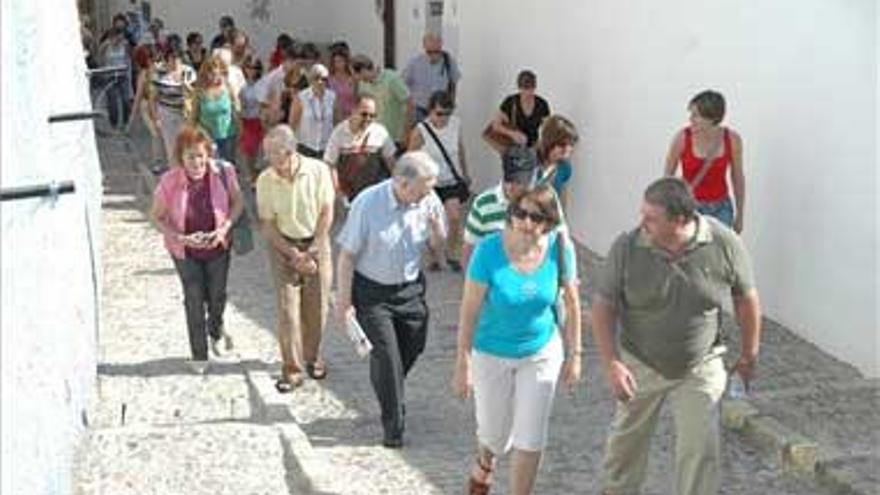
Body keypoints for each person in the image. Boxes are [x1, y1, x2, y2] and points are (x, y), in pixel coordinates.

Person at [591, 177, 761, 495]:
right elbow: (604, 305)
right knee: (624, 448)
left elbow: (745, 299)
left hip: (701, 362)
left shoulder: (723, 242)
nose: (642, 223)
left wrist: (749, 356)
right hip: (640, 360)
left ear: (680, 220)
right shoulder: (627, 247)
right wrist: (612, 362)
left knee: (700, 448)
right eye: (642, 214)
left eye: (651, 218)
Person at [453, 184, 582, 495]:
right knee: (495, 435)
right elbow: (469, 308)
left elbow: (573, 302)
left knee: (530, 436)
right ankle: (486, 459)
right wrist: (463, 361)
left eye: (537, 218)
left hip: (541, 351)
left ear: (549, 222)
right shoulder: (488, 250)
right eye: (521, 214)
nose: (527, 223)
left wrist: (575, 355)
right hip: (491, 350)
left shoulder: (559, 248)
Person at [335, 151, 447, 448]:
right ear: (401, 182)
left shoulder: (428, 200)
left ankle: (389, 385)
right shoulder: (367, 203)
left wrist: (437, 230)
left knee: (412, 346)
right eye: (423, 189)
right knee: (387, 356)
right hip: (372, 293)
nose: (428, 195)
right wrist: (343, 301)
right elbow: (347, 256)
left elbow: (438, 249)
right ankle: (393, 425)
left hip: (410, 290)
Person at [151, 125, 244, 373]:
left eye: (201, 155)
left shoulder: (224, 172)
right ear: (181, 157)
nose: (196, 161)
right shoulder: (169, 182)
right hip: (185, 252)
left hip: (218, 246)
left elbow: (238, 203)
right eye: (191, 156)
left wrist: (224, 228)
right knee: (193, 298)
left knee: (217, 295)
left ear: (208, 155)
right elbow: (157, 217)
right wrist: (181, 238)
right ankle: (199, 355)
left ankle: (215, 329)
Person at [256, 125, 335, 392]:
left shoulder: (318, 171)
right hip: (283, 244)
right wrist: (291, 253)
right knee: (288, 310)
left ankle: (313, 357)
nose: (268, 159)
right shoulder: (266, 179)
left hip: (316, 240)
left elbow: (326, 212)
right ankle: (292, 369)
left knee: (317, 305)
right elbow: (267, 224)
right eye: (266, 153)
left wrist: (313, 248)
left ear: (289, 152)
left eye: (272, 153)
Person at [664, 90, 745, 233]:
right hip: (691, 208)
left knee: (718, 253)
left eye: (696, 115)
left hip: (721, 209)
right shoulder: (682, 138)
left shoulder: (732, 139)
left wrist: (740, 215)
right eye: (691, 114)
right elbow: (667, 179)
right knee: (692, 254)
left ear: (712, 118)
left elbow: (737, 178)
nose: (691, 119)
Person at [407, 90, 469, 271]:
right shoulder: (421, 130)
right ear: (430, 111)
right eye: (439, 113)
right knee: (432, 223)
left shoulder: (456, 124)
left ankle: (451, 254)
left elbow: (460, 149)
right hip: (429, 184)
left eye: (447, 113)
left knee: (455, 217)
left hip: (450, 179)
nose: (444, 118)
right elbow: (411, 158)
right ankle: (434, 255)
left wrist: (465, 172)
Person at [461, 146, 538, 270]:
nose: (513, 187)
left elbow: (560, 243)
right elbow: (470, 248)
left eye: (521, 182)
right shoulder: (483, 204)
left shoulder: (543, 202)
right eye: (510, 180)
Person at [323, 93, 396, 202]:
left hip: (372, 195)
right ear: (353, 111)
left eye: (372, 115)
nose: (368, 119)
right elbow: (330, 164)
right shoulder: (339, 132)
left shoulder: (381, 132)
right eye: (364, 114)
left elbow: (391, 163)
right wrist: (338, 191)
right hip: (346, 194)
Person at [351, 54, 413, 153]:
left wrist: (406, 133)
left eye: (354, 74)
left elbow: (409, 103)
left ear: (362, 70)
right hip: (373, 137)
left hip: (394, 137)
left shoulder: (392, 79)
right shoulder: (363, 84)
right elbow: (359, 105)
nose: (355, 77)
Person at [149, 42, 196, 168]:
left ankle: (188, 173)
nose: (175, 62)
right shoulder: (159, 73)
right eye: (172, 58)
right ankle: (176, 176)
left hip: (185, 113)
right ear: (166, 58)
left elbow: (196, 94)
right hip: (166, 112)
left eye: (178, 58)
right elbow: (153, 98)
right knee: (171, 148)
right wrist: (156, 119)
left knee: (186, 145)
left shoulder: (189, 72)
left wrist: (187, 87)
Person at [188, 55, 240, 164]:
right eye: (211, 73)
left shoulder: (227, 87)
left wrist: (240, 131)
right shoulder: (200, 92)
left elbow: (236, 110)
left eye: (217, 73)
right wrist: (200, 135)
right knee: (212, 169)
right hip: (207, 138)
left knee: (228, 168)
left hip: (228, 136)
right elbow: (193, 119)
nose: (214, 77)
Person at [403, 32, 461, 122]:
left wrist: (451, 104)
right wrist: (409, 106)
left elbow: (453, 83)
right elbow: (403, 84)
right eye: (429, 52)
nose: (433, 56)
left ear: (441, 46)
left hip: (440, 111)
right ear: (424, 47)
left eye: (436, 52)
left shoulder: (449, 62)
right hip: (419, 110)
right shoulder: (414, 63)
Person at [491, 70, 551, 149]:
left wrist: (540, 142)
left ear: (535, 87)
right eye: (525, 89)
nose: (528, 93)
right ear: (519, 88)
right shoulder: (510, 102)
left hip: (534, 149)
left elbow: (549, 129)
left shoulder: (542, 104)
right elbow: (495, 125)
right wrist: (512, 134)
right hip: (513, 150)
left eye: (531, 89)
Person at [289, 63, 337, 159]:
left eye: (324, 79)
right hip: (305, 146)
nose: (320, 82)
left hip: (326, 147)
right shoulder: (301, 97)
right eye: (316, 78)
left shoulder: (332, 97)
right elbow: (293, 123)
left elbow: (336, 120)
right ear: (310, 80)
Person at [535, 114, 579, 213]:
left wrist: (562, 224)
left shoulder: (565, 168)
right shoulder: (529, 164)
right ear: (549, 142)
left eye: (571, 145)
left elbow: (562, 200)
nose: (568, 150)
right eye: (562, 145)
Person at [97, 25, 132, 130]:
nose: (119, 40)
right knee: (113, 102)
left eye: (121, 38)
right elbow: (100, 59)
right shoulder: (105, 46)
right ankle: (114, 123)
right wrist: (102, 72)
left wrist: (127, 71)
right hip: (110, 75)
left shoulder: (125, 45)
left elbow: (128, 58)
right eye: (117, 38)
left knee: (126, 100)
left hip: (122, 75)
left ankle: (126, 122)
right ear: (112, 37)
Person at [238, 56, 265, 183]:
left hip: (259, 120)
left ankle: (257, 173)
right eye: (249, 67)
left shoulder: (262, 84)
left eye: (254, 68)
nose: (251, 70)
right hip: (246, 119)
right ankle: (252, 174)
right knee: (249, 148)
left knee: (259, 149)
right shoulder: (241, 84)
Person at [327, 43, 356, 119]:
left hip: (351, 116)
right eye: (336, 62)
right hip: (335, 116)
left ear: (346, 62)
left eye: (341, 61)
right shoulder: (329, 79)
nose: (338, 64)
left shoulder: (352, 78)